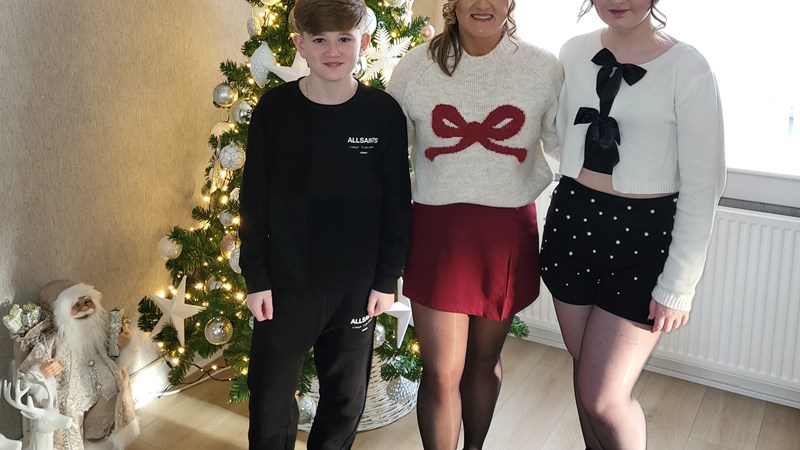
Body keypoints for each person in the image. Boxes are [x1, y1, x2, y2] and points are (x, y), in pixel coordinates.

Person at [539, 1, 726, 448]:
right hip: (573, 222)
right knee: (585, 372)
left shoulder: (688, 67)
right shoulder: (573, 51)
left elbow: (704, 185)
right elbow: (558, 135)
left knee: (603, 396)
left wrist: (679, 284)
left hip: (643, 237)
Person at [387, 1, 563, 448]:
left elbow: (566, 145)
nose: (482, 4)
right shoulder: (415, 67)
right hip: (438, 230)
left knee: (483, 361)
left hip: (505, 232)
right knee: (441, 371)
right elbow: (387, 154)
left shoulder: (543, 68)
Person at [238, 0, 412, 448]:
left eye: (343, 39)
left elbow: (397, 204)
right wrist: (256, 278)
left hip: (356, 287)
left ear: (363, 43)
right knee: (270, 400)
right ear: (300, 44)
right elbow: (254, 199)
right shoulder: (275, 109)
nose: (332, 51)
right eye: (319, 40)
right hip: (284, 286)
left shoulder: (383, 113)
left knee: (345, 401)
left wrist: (386, 279)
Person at [17, 279, 139, 450]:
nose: (84, 308)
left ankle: (100, 444)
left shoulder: (101, 330)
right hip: (72, 396)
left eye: (87, 302)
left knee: (115, 392)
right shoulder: (53, 341)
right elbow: (28, 372)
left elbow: (115, 356)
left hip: (105, 391)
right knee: (69, 421)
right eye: (76, 305)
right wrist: (41, 373)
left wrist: (124, 345)